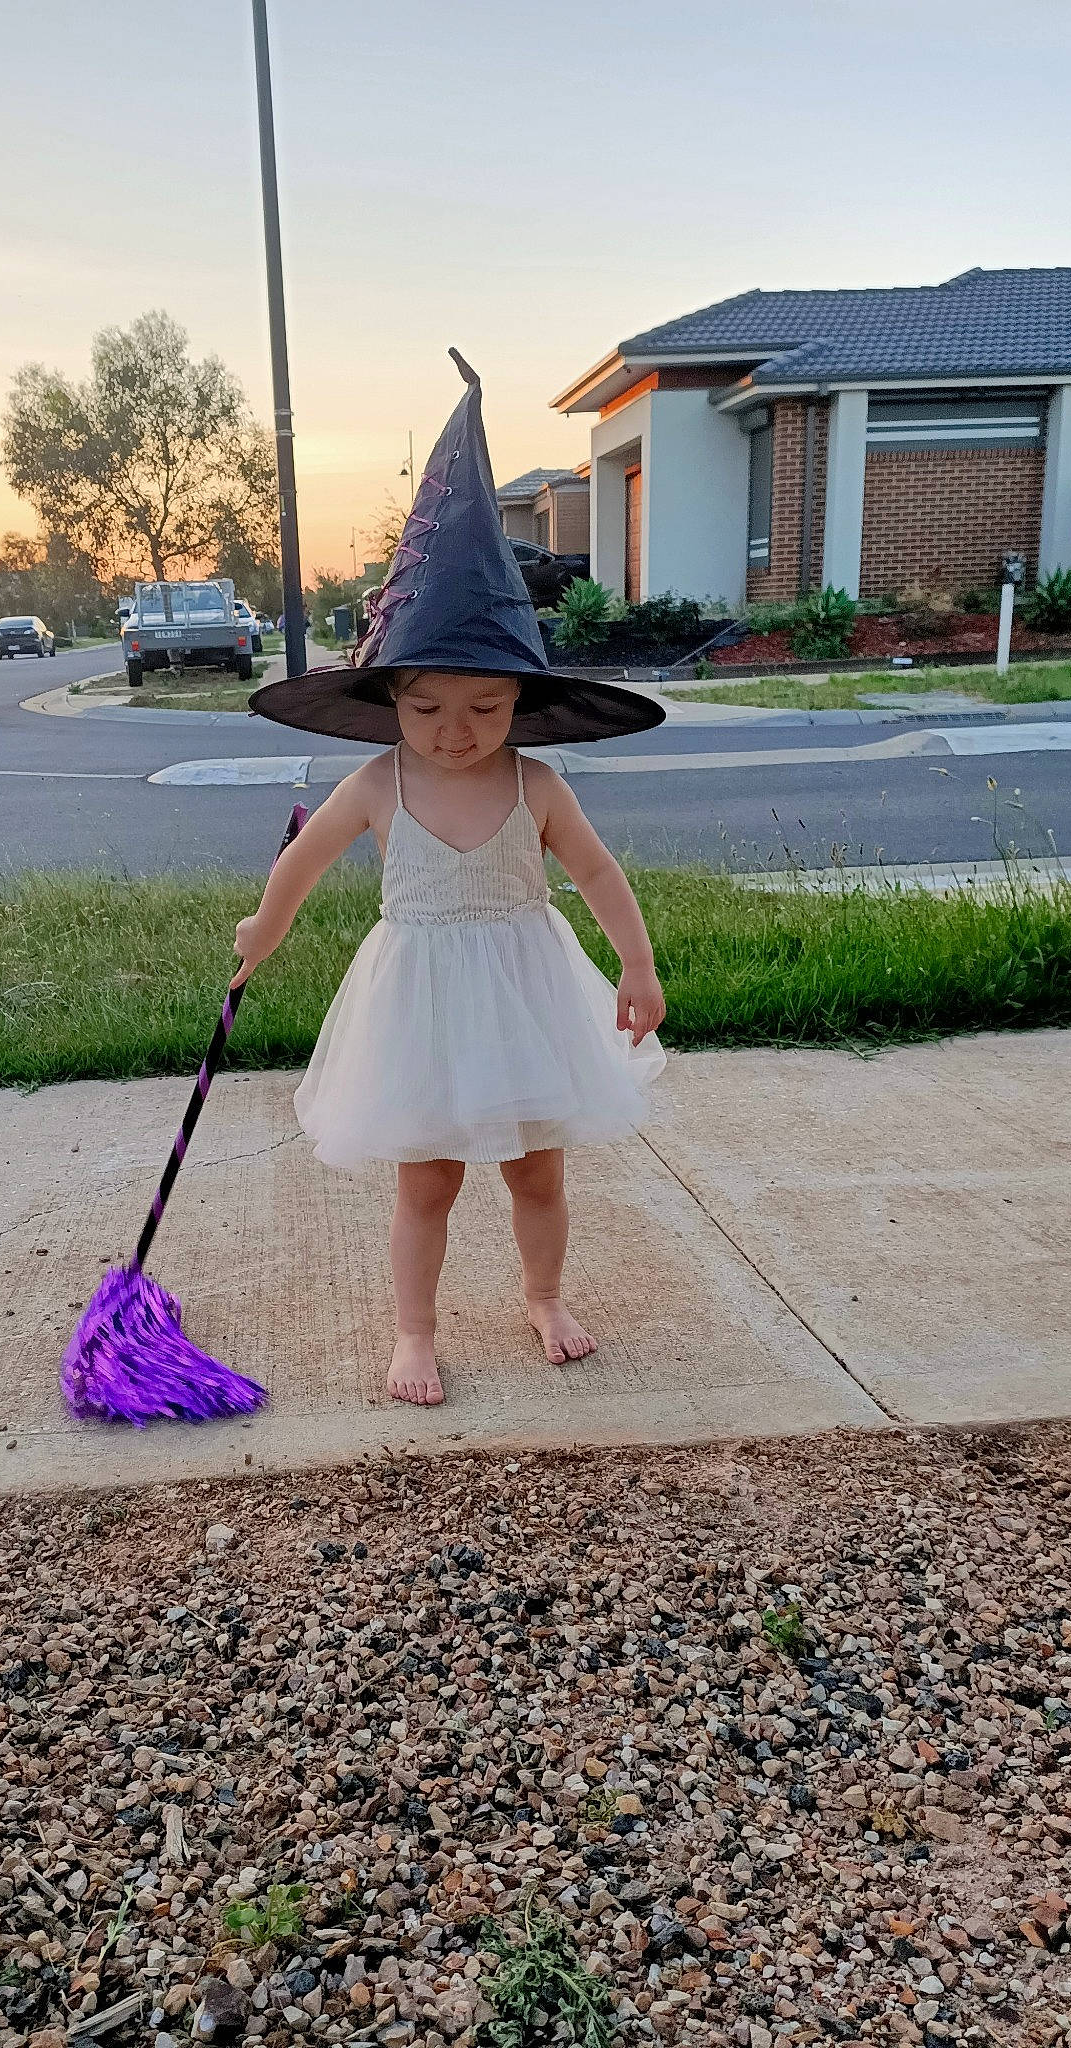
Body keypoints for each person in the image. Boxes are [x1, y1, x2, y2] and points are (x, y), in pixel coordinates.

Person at [236, 353, 667, 1408]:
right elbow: (305, 855)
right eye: (428, 708)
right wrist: (266, 923)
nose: (457, 730)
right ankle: (415, 1330)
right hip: (421, 1008)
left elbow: (599, 871)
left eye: (483, 706)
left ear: (522, 698)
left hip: (525, 998)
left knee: (537, 1170)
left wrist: (638, 962)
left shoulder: (538, 783)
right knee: (424, 1179)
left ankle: (544, 1294)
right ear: (391, 700)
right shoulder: (378, 780)